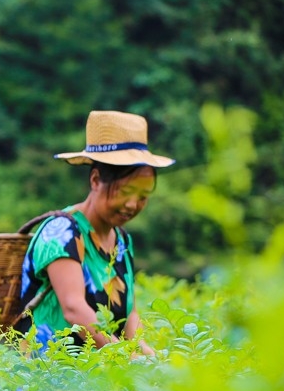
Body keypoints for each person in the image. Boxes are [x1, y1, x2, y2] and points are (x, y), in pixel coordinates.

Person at [16, 110, 174, 354]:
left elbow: (129, 313)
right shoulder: (62, 232)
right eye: (124, 192)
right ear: (96, 180)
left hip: (101, 377)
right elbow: (74, 308)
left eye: (142, 197)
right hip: (51, 375)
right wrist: (125, 356)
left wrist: (147, 355)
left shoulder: (121, 240)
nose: (132, 205)